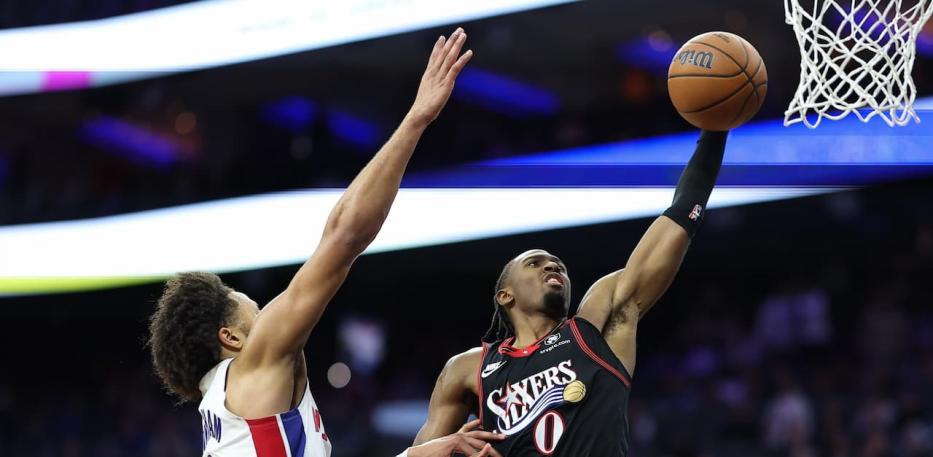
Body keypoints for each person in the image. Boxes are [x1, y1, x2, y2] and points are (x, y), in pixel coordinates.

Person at [147, 28, 501, 457]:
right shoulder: (254, 363)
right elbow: (343, 237)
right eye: (253, 308)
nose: (269, 309)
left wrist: (426, 451)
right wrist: (417, 118)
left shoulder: (226, 414)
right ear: (233, 337)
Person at [413, 130, 730, 456]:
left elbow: (677, 219)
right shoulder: (468, 368)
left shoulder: (598, 325)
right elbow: (421, 453)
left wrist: (715, 133)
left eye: (558, 266)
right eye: (535, 264)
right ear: (505, 296)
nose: (552, 267)